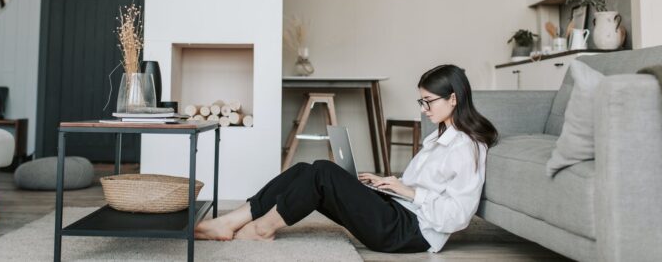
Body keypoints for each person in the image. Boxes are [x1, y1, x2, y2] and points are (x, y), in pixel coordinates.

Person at [194, 64, 499, 253]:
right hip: (398, 212)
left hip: (410, 233)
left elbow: (458, 216)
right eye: (421, 101)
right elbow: (423, 188)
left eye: (428, 101)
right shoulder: (439, 138)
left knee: (323, 172)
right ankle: (233, 220)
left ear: (453, 99)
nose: (423, 108)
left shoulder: (467, 148)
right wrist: (390, 183)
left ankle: (261, 229)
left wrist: (408, 191)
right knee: (305, 169)